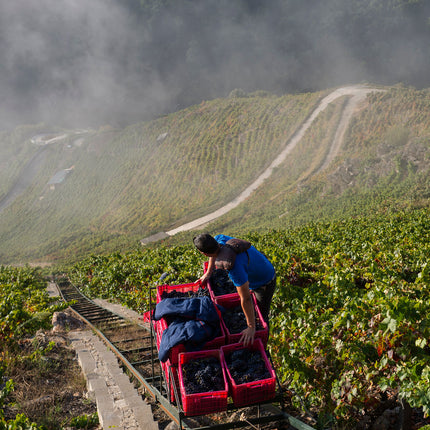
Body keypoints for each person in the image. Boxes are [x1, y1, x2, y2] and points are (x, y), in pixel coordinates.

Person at [193, 233, 276, 346]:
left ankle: (263, 341)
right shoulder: (219, 240)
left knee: (261, 316)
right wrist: (208, 273)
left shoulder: (234, 267)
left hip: (264, 282)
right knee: (250, 307)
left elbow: (245, 299)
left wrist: (251, 326)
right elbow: (213, 253)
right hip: (259, 266)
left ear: (203, 253)